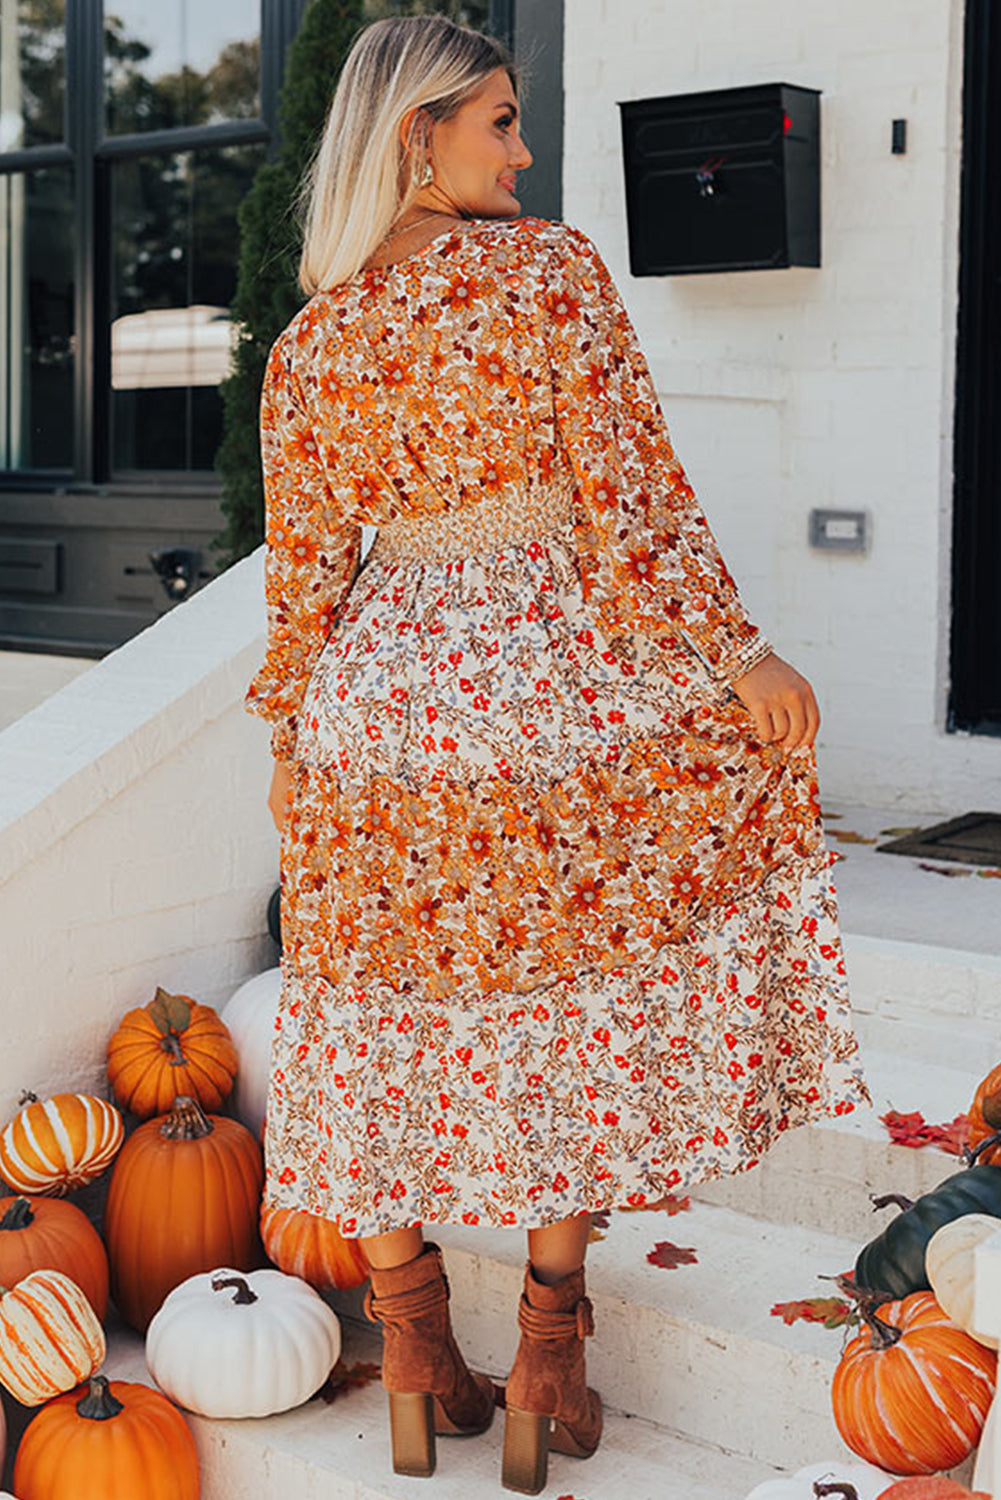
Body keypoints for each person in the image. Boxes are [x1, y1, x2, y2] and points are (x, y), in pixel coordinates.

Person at [243, 14, 872, 1495]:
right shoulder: (546, 275)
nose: (523, 153)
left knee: (373, 1008)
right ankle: (545, 1356)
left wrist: (287, 737)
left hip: (370, 707)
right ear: (419, 132)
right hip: (538, 680)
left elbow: (303, 573)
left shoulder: (309, 342)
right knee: (568, 1002)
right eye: (501, 122)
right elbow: (629, 495)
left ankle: (412, 1349)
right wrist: (738, 657)